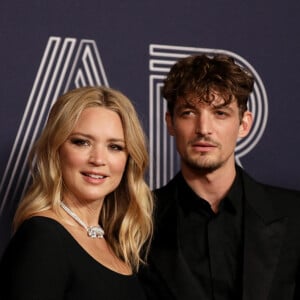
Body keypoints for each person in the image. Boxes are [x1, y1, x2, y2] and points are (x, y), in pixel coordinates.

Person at [138, 54, 300, 300]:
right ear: (170, 123)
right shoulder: (136, 220)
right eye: (189, 113)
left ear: (244, 125)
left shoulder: (294, 214)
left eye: (220, 113)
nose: (204, 128)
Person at [0, 86, 153, 299]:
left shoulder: (119, 242)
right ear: (56, 150)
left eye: (115, 147)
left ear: (129, 159)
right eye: (82, 142)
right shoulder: (44, 239)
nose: (98, 159)